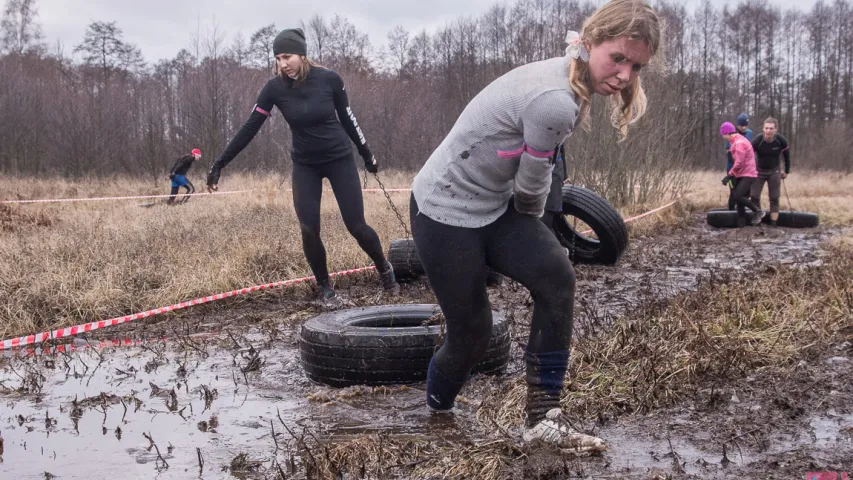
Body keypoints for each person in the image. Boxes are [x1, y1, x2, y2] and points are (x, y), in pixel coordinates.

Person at [409, 0, 661, 452]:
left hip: (492, 202)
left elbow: (532, 187)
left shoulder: (573, 79)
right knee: (472, 332)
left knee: (556, 276)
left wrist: (532, 245)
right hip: (443, 209)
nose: (624, 75)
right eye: (618, 58)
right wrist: (532, 233)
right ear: (589, 43)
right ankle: (437, 413)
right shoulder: (555, 100)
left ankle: (543, 419)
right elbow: (531, 191)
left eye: (636, 66)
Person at [206, 28, 399, 299]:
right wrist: (220, 163)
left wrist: (367, 154)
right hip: (305, 164)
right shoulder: (274, 88)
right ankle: (325, 288)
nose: (282, 64)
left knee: (356, 225)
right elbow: (250, 127)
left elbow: (348, 119)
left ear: (302, 55)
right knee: (309, 228)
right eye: (277, 59)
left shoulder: (330, 80)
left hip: (339, 159)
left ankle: (384, 268)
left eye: (287, 56)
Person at [720, 122, 763, 225]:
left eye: (723, 135)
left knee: (738, 196)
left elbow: (739, 163)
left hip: (748, 174)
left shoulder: (739, 143)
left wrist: (729, 175)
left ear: (727, 133)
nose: (723, 137)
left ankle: (758, 212)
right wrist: (733, 175)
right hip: (741, 174)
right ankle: (741, 225)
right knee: (740, 201)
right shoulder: (736, 141)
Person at [750, 117, 790, 226]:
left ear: (775, 129)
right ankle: (758, 219)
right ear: (763, 129)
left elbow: (787, 157)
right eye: (766, 128)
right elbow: (748, 154)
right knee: (754, 195)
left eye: (771, 128)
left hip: (774, 171)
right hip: (759, 171)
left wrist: (786, 170)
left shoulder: (781, 140)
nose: (768, 131)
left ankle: (773, 223)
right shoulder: (758, 140)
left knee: (774, 197)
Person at [723, 113, 753, 210]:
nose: (744, 128)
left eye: (746, 125)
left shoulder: (749, 133)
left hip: (745, 171)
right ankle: (730, 212)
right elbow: (729, 152)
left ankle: (742, 215)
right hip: (733, 168)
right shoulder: (732, 133)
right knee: (734, 193)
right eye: (741, 125)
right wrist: (734, 169)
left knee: (744, 194)